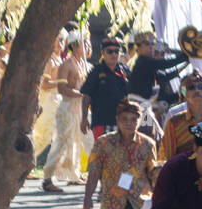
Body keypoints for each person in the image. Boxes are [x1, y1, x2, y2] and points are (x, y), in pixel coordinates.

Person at [44, 32, 91, 191]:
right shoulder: (66, 65)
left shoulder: (84, 64)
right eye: (83, 43)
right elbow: (61, 88)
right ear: (74, 46)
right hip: (67, 108)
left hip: (81, 108)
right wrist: (80, 94)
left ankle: (73, 174)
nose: (86, 47)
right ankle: (47, 178)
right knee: (62, 142)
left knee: (78, 140)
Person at [31, 30, 67, 173]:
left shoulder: (60, 60)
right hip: (47, 101)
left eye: (63, 40)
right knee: (42, 134)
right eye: (58, 40)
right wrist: (62, 82)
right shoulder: (49, 60)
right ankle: (26, 163)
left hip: (58, 101)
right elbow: (44, 84)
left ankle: (56, 170)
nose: (60, 43)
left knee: (58, 136)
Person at [81, 38, 130, 140]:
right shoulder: (96, 72)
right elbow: (86, 96)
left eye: (116, 51)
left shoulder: (125, 71)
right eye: (110, 51)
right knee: (103, 154)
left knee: (122, 154)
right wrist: (84, 118)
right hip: (102, 122)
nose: (113, 54)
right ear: (103, 52)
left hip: (124, 122)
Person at [126, 33, 189, 108]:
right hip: (138, 104)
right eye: (147, 44)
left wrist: (186, 64)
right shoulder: (144, 61)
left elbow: (165, 77)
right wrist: (186, 56)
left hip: (145, 103)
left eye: (152, 44)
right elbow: (166, 64)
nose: (151, 47)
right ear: (138, 48)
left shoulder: (148, 66)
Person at [159, 73, 202, 160]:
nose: (197, 90)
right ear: (185, 94)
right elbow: (167, 158)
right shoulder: (174, 123)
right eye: (191, 88)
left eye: (201, 87)